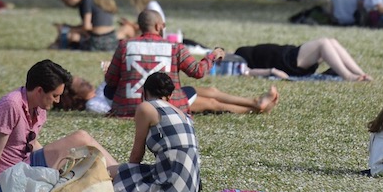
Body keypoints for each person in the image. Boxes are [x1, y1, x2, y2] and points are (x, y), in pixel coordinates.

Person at [0, 59, 118, 192]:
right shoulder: (11, 105)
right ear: (39, 91)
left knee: (81, 166)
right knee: (81, 137)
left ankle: (118, 178)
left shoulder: (38, 107)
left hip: (25, 169)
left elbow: (31, 142)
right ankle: (123, 174)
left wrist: (57, 166)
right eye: (55, 95)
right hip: (3, 183)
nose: (57, 101)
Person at [104, 9, 225, 117]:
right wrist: (212, 56)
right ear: (158, 26)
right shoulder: (175, 47)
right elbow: (197, 71)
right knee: (198, 94)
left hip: (128, 109)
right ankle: (244, 107)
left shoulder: (125, 46)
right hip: (168, 107)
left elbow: (110, 81)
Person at [113, 72, 201, 192]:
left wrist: (127, 174)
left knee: (111, 172)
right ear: (170, 95)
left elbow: (137, 154)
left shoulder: (147, 108)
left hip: (169, 190)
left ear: (144, 91)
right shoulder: (184, 115)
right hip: (190, 189)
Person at [57, 72, 278, 116]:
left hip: (154, 93)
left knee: (211, 92)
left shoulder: (98, 89)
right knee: (212, 102)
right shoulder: (93, 104)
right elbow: (115, 111)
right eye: (81, 84)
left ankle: (255, 103)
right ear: (74, 95)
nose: (87, 82)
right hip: (154, 102)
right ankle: (255, 105)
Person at [234, 38, 372, 82]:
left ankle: (360, 73)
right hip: (286, 61)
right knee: (323, 43)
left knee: (331, 41)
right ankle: (348, 76)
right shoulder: (238, 59)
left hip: (288, 55)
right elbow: (247, 72)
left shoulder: (236, 54)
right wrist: (272, 71)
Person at [54, 0, 121, 51]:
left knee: (68, 35)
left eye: (66, 2)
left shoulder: (87, 1)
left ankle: (57, 47)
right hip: (112, 41)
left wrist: (67, 29)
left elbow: (87, 27)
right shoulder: (104, 2)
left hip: (97, 42)